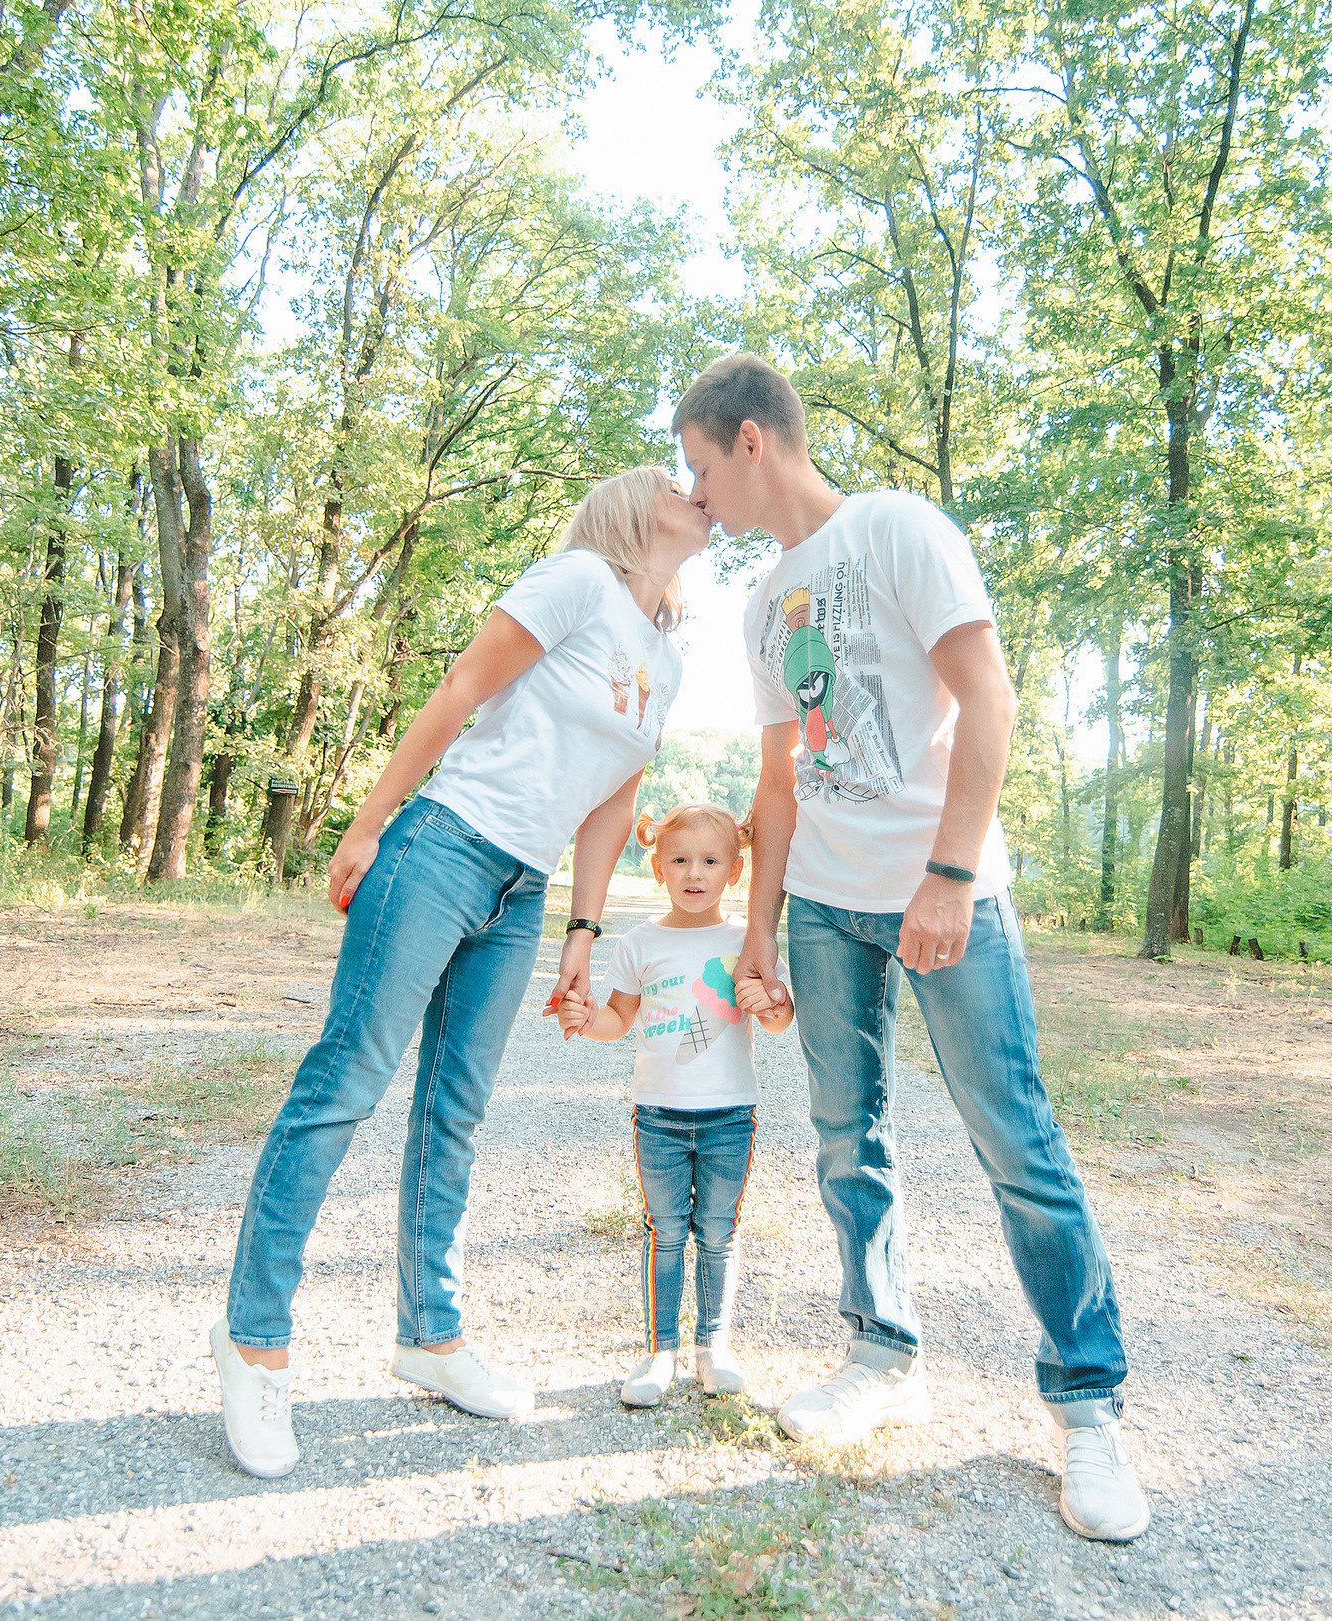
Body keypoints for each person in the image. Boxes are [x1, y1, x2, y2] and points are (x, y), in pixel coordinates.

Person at [675, 352, 1151, 1544]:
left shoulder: (897, 526)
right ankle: (883, 1352)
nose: (696, 497)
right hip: (827, 906)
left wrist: (948, 873)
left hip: (946, 893)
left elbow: (988, 696)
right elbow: (778, 780)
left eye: (699, 467)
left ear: (749, 440)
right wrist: (759, 929)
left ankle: (1087, 1403)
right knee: (847, 1137)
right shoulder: (761, 604)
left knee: (1015, 1138)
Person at [210, 464, 711, 1480]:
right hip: (443, 845)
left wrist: (582, 927)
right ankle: (254, 1338)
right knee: (345, 1083)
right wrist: (367, 823)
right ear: (630, 510)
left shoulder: (667, 658)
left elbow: (615, 800)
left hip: (521, 890)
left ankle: (429, 1335)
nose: (695, 490)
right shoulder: (577, 579)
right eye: (674, 479)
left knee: (456, 1111)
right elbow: (461, 689)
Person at [558, 803, 793, 1408]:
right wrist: (583, 1018)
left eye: (710, 861)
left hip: (729, 1115)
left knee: (718, 1231)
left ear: (734, 871)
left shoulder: (747, 941)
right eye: (680, 860)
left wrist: (771, 1004)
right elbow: (618, 1020)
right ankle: (659, 1352)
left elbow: (777, 1020)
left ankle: (714, 1349)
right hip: (658, 1116)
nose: (694, 873)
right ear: (659, 867)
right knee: (664, 1232)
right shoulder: (640, 943)